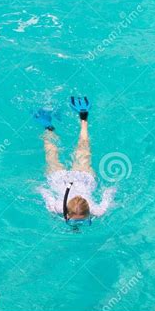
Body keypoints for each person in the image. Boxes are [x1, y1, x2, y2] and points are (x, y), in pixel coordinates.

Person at [36, 97, 116, 226]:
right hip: (72, 179)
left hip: (68, 179)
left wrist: (110, 191)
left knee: (80, 151)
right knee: (54, 156)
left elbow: (109, 192)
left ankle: (57, 125)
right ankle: (51, 126)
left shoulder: (57, 208)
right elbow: (109, 192)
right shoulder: (56, 208)